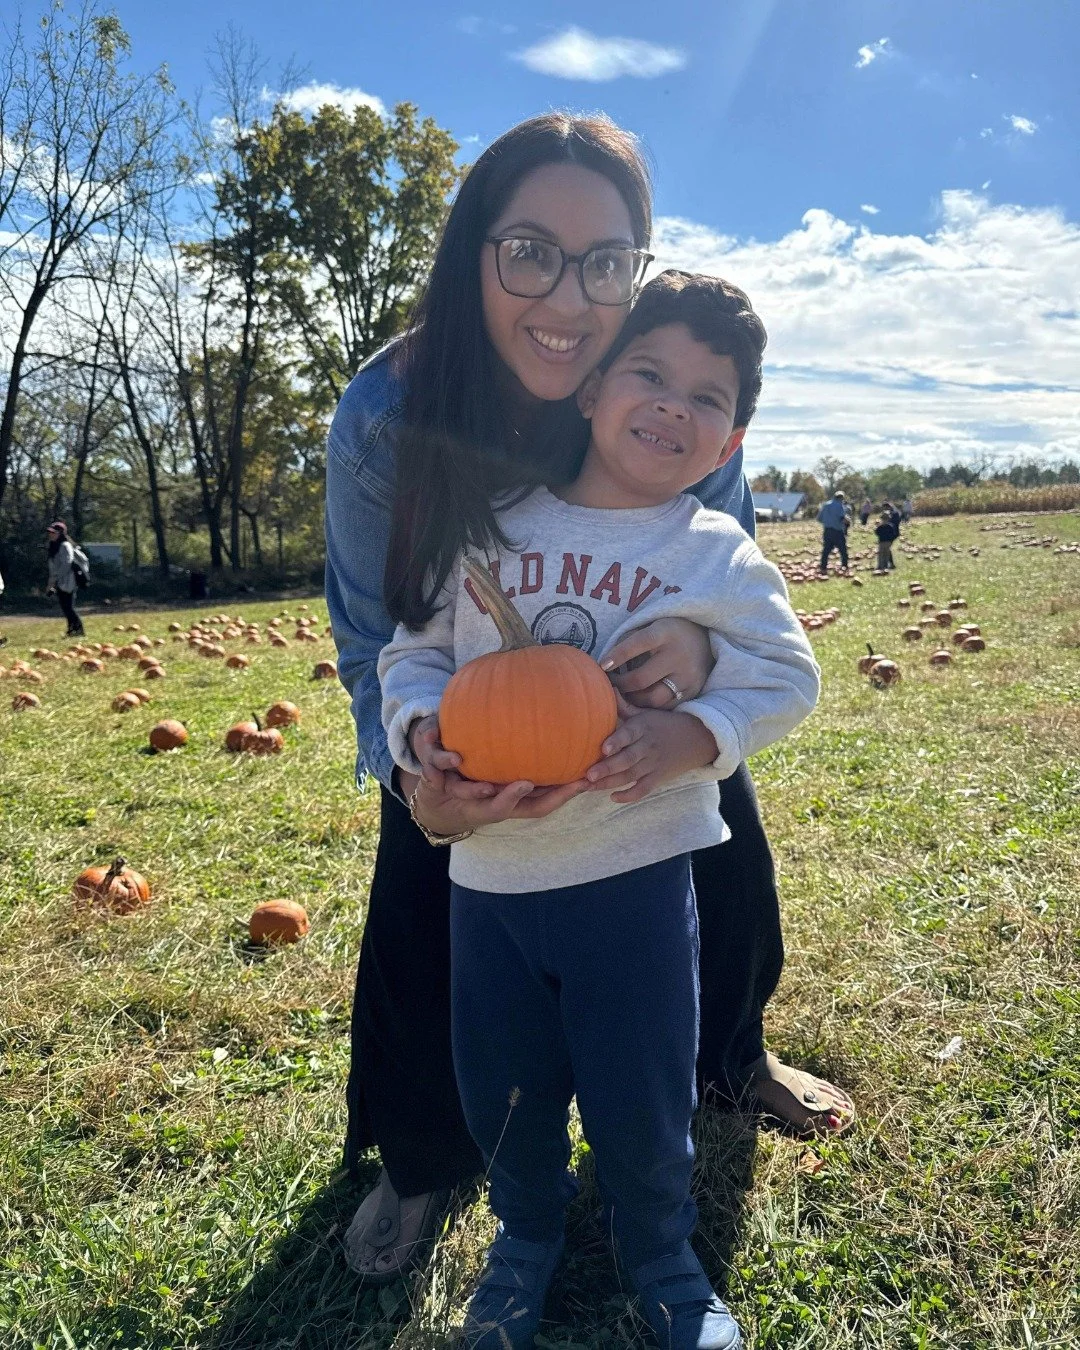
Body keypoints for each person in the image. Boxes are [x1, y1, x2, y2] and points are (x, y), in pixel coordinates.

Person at [325, 111, 854, 1286]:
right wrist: (418, 775)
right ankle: (423, 1151)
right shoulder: (387, 416)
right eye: (530, 253)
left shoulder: (665, 381)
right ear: (473, 256)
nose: (568, 298)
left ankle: (731, 1055)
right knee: (424, 881)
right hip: (471, 699)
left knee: (720, 833)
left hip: (631, 706)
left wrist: (700, 665)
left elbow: (725, 568)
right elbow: (376, 637)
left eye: (605, 262)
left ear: (637, 270)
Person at [380, 271, 819, 1350]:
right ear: (590, 390)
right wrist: (421, 728)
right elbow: (413, 652)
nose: (672, 405)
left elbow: (788, 675)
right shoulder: (490, 528)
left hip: (638, 877)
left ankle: (661, 1250)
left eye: (707, 398)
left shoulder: (713, 553)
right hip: (493, 881)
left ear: (730, 443)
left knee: (643, 1087)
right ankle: (524, 1237)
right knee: (504, 1089)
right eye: (649, 374)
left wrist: (695, 734)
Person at [45, 521, 85, 636]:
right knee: (65, 607)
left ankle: (79, 629)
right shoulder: (53, 546)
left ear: (60, 533)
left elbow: (67, 563)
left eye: (54, 532)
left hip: (68, 580)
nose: (51, 534)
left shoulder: (65, 545)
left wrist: (56, 578)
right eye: (50, 532)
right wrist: (52, 582)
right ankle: (71, 629)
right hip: (60, 581)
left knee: (69, 607)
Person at [816, 490, 849, 573]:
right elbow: (842, 518)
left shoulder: (826, 505)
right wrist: (847, 521)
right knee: (843, 550)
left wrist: (828, 521)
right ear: (841, 498)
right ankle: (844, 566)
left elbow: (819, 518)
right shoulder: (839, 505)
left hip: (827, 530)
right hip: (837, 531)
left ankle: (823, 567)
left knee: (826, 550)